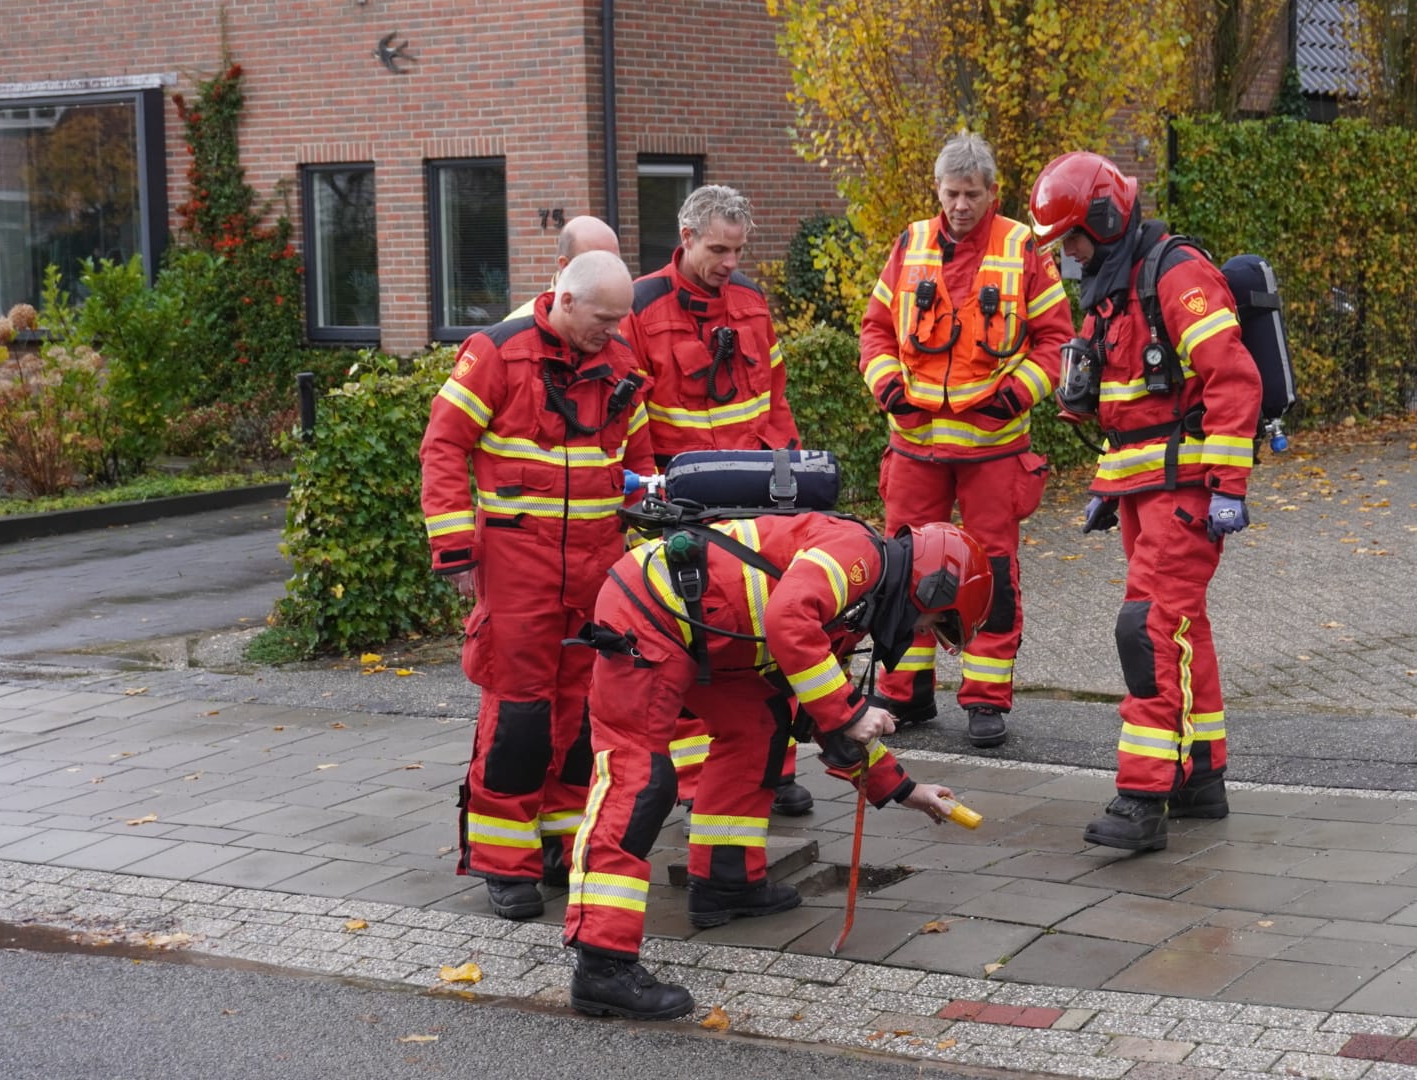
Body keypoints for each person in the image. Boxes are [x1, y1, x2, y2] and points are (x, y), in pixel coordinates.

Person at [564, 516, 991, 1019]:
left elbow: (829, 720)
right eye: (935, 623)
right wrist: (849, 712)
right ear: (931, 585)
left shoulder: (857, 608)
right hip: (649, 612)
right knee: (640, 779)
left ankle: (725, 883)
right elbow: (789, 620)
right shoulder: (856, 555)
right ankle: (601, 965)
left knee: (760, 727)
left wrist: (905, 790)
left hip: (712, 636)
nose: (923, 634)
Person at [1026, 150, 1263, 852]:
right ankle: (1199, 775)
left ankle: (1142, 795)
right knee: (1183, 629)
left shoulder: (1174, 273)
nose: (1067, 255)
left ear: (1103, 218)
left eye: (1072, 238)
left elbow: (1233, 379)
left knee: (1150, 629)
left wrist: (1228, 486)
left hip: (1184, 492)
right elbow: (1126, 408)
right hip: (1144, 489)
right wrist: (1107, 488)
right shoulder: (1113, 286)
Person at [419, 250, 656, 919]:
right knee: (519, 716)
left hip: (597, 568)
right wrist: (454, 548)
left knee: (583, 713)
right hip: (517, 566)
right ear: (564, 299)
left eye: (620, 320)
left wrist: (651, 529)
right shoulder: (496, 352)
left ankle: (561, 842)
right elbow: (443, 445)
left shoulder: (620, 365)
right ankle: (504, 862)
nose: (611, 332)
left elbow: (637, 462)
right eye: (602, 319)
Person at [857, 133, 1075, 750]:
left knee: (993, 573)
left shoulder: (1021, 247)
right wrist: (888, 387)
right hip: (915, 444)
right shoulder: (910, 243)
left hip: (992, 448)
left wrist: (1018, 393)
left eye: (971, 194)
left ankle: (985, 699)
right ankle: (905, 690)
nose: (959, 205)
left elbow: (1057, 339)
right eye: (951, 193)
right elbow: (874, 331)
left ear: (992, 192)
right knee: (902, 565)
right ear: (937, 189)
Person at [622, 184, 810, 816]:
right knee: (692, 642)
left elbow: (774, 399)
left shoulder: (751, 303)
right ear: (686, 239)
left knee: (771, 634)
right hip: (681, 507)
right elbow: (629, 415)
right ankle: (697, 782)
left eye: (738, 251)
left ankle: (773, 769)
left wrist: (789, 476)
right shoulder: (641, 307)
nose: (731, 263)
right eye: (719, 250)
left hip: (756, 501)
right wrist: (645, 491)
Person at [505, 216, 621, 320]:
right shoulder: (520, 327)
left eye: (616, 264)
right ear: (565, 265)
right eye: (597, 266)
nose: (610, 275)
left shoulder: (627, 315)